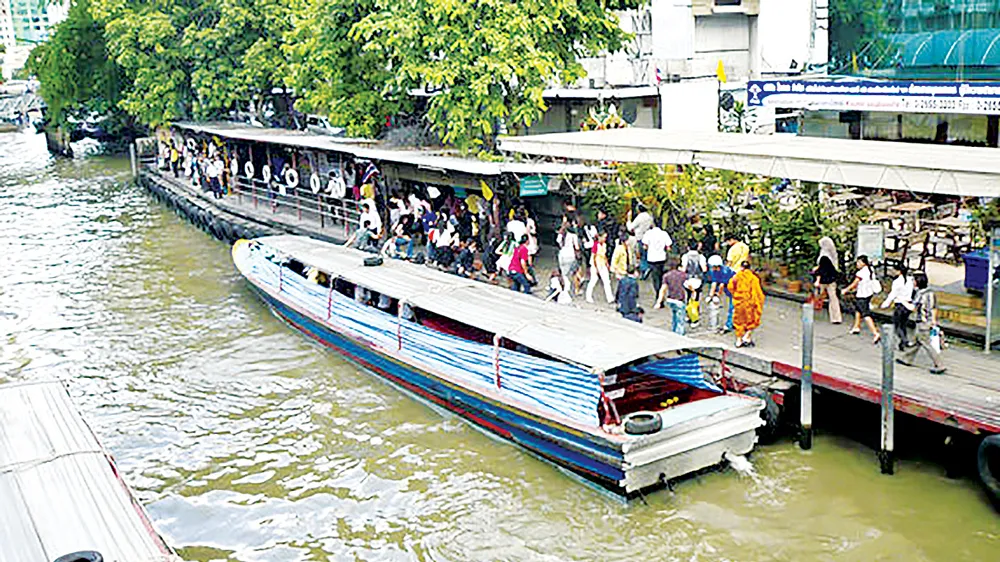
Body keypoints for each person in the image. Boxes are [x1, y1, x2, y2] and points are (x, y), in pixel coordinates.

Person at [897, 273, 946, 374]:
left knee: (926, 343)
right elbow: (934, 308)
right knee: (916, 341)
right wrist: (933, 320)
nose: (912, 283)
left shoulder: (920, 294)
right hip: (928, 321)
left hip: (922, 322)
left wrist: (902, 301)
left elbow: (913, 308)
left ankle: (939, 364)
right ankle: (907, 358)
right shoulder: (931, 293)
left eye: (914, 280)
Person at [844, 255, 882, 345]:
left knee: (865, 314)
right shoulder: (870, 269)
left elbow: (854, 283)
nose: (857, 264)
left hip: (862, 295)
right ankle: (856, 326)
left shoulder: (860, 273)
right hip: (868, 293)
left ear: (863, 263)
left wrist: (846, 290)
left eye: (859, 262)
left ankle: (875, 333)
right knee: (858, 310)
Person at [728, 261, 765, 348]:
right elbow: (758, 293)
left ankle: (739, 340)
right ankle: (747, 336)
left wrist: (736, 295)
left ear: (741, 267)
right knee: (752, 320)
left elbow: (730, 287)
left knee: (739, 321)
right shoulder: (754, 278)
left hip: (739, 302)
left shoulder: (736, 277)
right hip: (750, 303)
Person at [881, 264, 915, 351]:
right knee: (903, 324)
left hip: (900, 305)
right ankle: (903, 341)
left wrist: (885, 304)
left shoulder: (897, 282)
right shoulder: (910, 280)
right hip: (908, 305)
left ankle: (904, 340)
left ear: (899, 271)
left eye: (894, 270)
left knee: (897, 325)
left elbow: (892, 295)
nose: (892, 272)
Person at [812, 236, 843, 324]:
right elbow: (830, 267)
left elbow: (822, 270)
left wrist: (817, 279)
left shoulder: (823, 256)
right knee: (833, 298)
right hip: (832, 279)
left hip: (823, 280)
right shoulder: (832, 254)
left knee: (818, 295)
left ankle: (811, 312)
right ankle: (836, 318)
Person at [656, 259, 689, 335]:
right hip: (680, 300)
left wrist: (659, 301)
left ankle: (674, 332)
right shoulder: (683, 275)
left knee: (674, 317)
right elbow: (688, 285)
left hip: (670, 299)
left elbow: (663, 289)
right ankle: (679, 336)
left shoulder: (666, 276)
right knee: (680, 320)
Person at [641, 223, 672, 299]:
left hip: (652, 258)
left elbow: (645, 246)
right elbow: (668, 246)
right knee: (660, 275)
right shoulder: (664, 234)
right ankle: (661, 292)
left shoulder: (648, 233)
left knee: (655, 277)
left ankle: (658, 293)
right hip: (661, 258)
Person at [708, 255, 735, 333]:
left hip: (735, 288)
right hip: (727, 288)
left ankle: (729, 325)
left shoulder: (725, 271)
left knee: (732, 306)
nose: (711, 268)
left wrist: (717, 295)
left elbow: (721, 286)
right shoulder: (713, 271)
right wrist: (710, 295)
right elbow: (714, 283)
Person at [586, 232, 615, 304]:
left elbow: (604, 255)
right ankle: (588, 296)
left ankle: (610, 298)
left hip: (602, 264)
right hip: (596, 265)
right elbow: (594, 257)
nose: (605, 239)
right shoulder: (595, 245)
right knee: (593, 280)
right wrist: (596, 268)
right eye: (604, 237)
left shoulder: (604, 245)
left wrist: (607, 264)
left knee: (607, 281)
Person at [557, 225, 581, 294]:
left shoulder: (561, 235)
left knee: (563, 273)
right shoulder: (574, 236)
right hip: (570, 255)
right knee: (572, 273)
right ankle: (568, 289)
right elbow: (577, 247)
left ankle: (563, 287)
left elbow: (558, 242)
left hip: (561, 255)